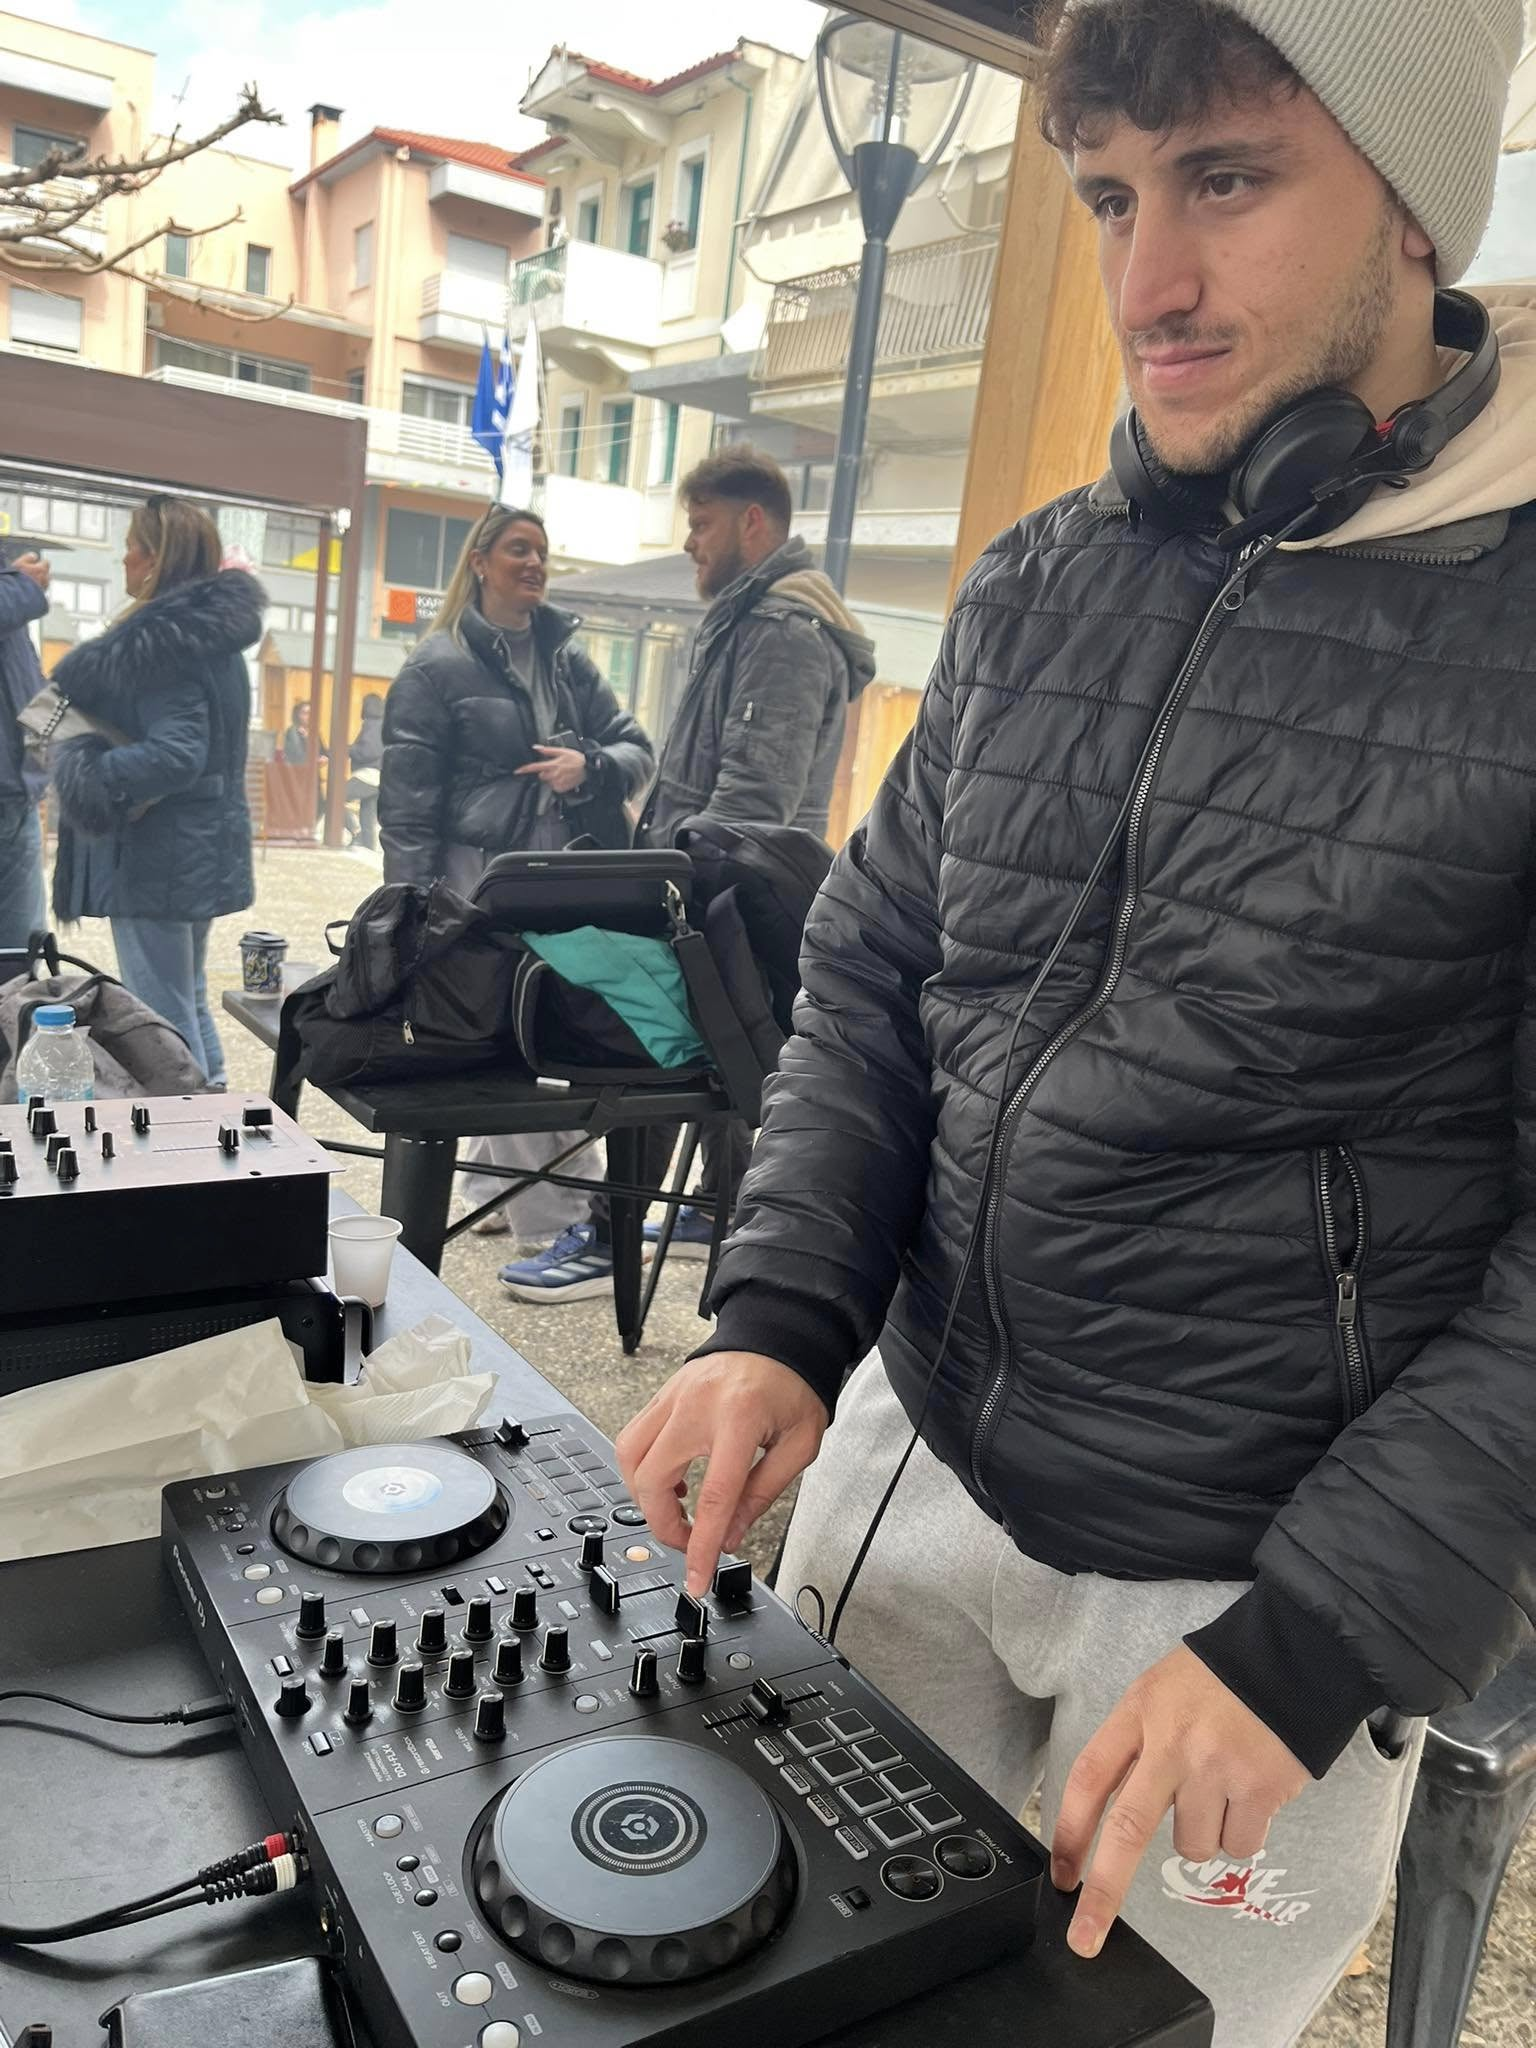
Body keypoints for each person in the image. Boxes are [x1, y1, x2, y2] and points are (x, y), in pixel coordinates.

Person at [613, 5, 1535, 2045]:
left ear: (1415, 204)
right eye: (1111, 197)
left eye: (1227, 179)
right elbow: (875, 973)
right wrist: (780, 1312)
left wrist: (1317, 1646)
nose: (1146, 282)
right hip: (911, 1462)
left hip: (1257, 1590)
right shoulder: (1036, 582)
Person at [501, 447, 875, 1303]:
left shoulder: (783, 631)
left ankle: (618, 1240)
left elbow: (753, 798)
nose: (690, 543)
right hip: (714, 891)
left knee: (665, 1064)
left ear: (754, 522)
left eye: (702, 524)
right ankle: (703, 1216)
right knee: (715, 1076)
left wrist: (659, 880)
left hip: (723, 895)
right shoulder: (753, 619)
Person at [380, 503, 655, 1241]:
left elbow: (636, 748)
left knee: (532, 1030)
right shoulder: (434, 668)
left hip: (565, 880)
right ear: (479, 562)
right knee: (528, 1039)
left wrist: (589, 765)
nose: (534, 563)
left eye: (542, 551)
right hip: (481, 883)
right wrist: (411, 914)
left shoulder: (566, 659)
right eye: (518, 549)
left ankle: (490, 1190)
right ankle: (556, 1223)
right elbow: (406, 811)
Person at [50, 496, 261, 1088]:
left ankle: (193, 1128)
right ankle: (216, 1112)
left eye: (131, 547)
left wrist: (89, 770)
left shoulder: (160, 646)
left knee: (161, 1018)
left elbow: (176, 755)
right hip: (192, 851)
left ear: (155, 559)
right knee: (185, 998)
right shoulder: (209, 640)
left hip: (156, 857)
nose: (123, 558)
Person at [0, 541, 51, 952]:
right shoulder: (13, 586)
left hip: (17, 790)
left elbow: (25, 681)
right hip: (13, 787)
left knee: (22, 954)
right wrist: (19, 585)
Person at [346, 694, 384, 851]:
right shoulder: (384, 724)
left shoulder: (372, 724)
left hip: (368, 774)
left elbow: (368, 751)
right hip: (380, 776)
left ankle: (356, 831)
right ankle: (367, 844)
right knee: (367, 813)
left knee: (334, 798)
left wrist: (348, 749)